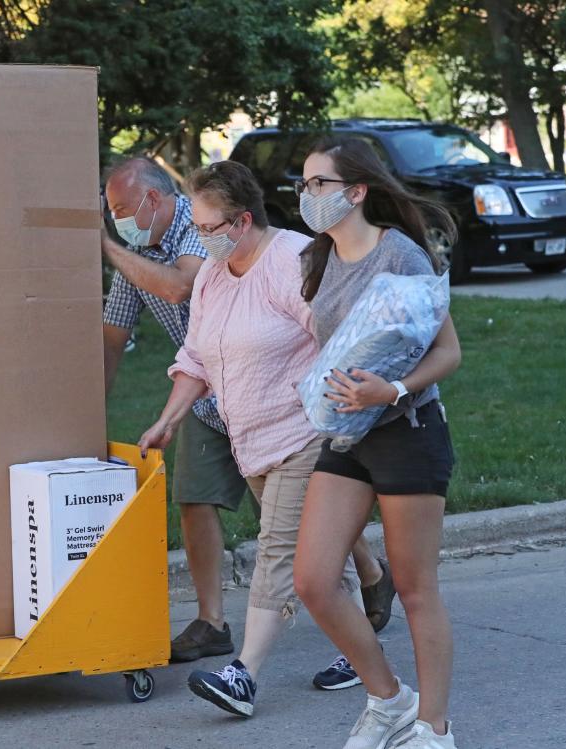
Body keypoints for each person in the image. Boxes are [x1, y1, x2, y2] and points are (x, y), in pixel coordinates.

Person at [139, 160, 381, 717]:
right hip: (250, 437)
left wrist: (339, 412)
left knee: (278, 547)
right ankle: (361, 647)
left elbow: (339, 339)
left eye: (208, 228)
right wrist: (170, 417)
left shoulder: (293, 261)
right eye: (194, 227)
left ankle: (243, 675)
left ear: (243, 221)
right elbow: (196, 354)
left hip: (306, 434)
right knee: (315, 552)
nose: (199, 239)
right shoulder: (212, 277)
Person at [291, 138, 462, 749]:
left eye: (318, 185)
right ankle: (389, 700)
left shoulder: (401, 257)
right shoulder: (320, 259)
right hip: (346, 436)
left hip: (406, 432)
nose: (307, 196)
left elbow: (448, 352)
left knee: (416, 589)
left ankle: (434, 729)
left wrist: (389, 391)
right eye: (304, 185)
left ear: (356, 191)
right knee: (312, 580)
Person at [102, 157, 242, 663]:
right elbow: (112, 339)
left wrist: (107, 248)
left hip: (257, 387)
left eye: (120, 208)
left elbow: (179, 285)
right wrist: (87, 414)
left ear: (153, 200)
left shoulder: (197, 222)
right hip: (201, 395)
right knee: (193, 499)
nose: (114, 219)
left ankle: (370, 577)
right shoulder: (139, 255)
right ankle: (212, 622)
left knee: (303, 505)